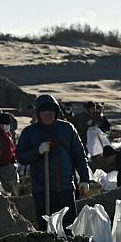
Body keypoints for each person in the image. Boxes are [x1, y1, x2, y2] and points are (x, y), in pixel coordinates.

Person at [17, 94, 89, 231]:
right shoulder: (30, 132)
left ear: (56, 112)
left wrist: (84, 179)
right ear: (38, 113)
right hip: (42, 190)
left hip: (65, 188)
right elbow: (20, 157)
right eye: (44, 112)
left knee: (69, 227)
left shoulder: (67, 129)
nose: (47, 115)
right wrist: (37, 151)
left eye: (51, 111)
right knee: (46, 229)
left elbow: (79, 155)